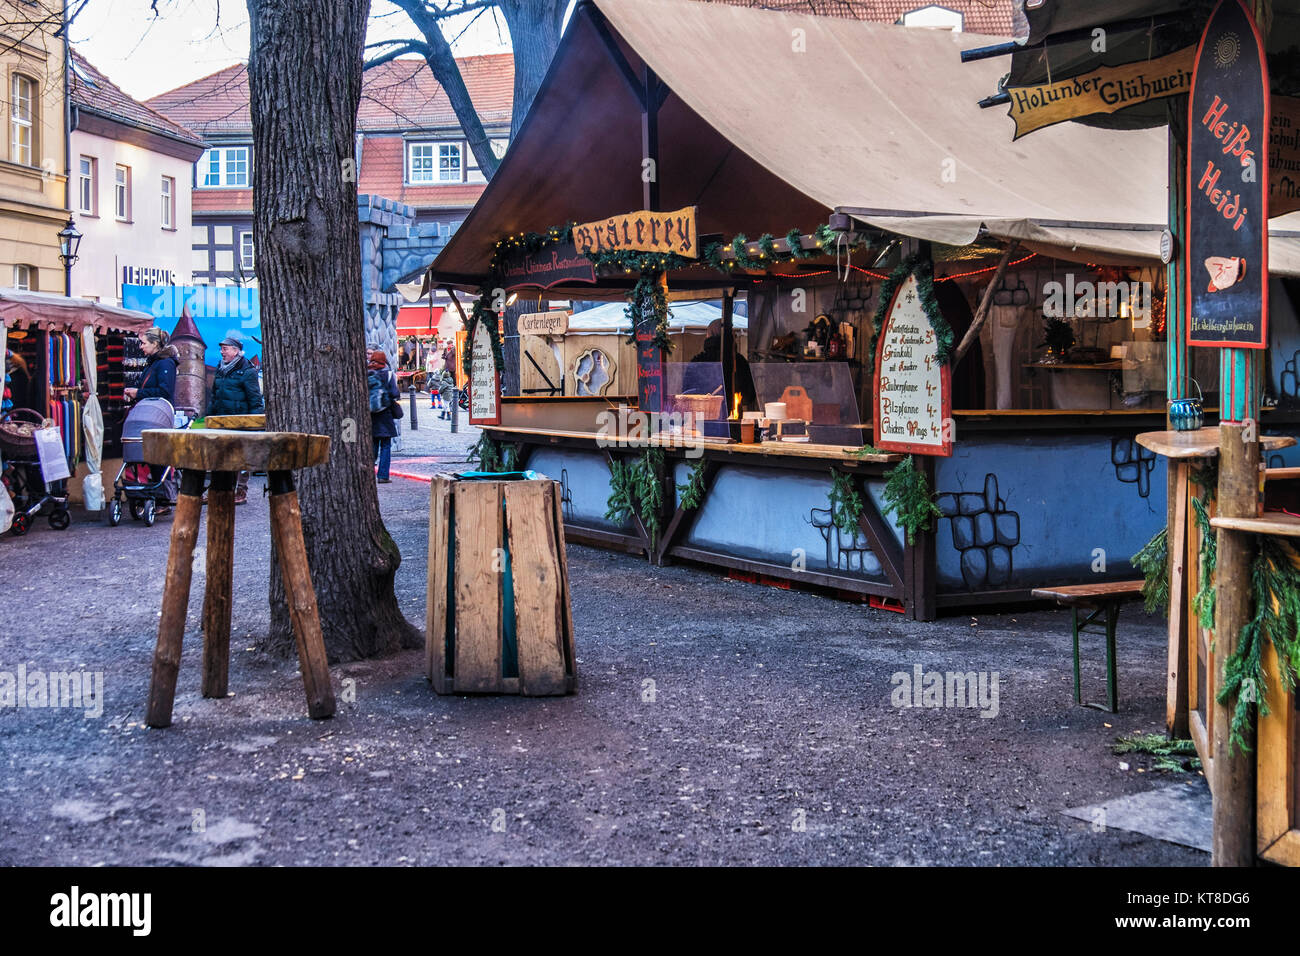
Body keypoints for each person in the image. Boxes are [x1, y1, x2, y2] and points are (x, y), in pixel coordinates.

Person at [124, 328, 180, 510]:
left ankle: (162, 499)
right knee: (150, 455)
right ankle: (153, 495)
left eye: (144, 343)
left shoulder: (165, 364)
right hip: (149, 414)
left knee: (158, 456)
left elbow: (164, 392)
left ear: (155, 344)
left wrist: (138, 393)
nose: (141, 347)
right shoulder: (154, 362)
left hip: (157, 414)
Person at [207, 332, 265, 504]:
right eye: (221, 349)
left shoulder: (247, 371)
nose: (222, 352)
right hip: (222, 420)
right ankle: (219, 490)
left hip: (241, 421)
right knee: (220, 456)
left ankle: (241, 491)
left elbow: (255, 399)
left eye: (225, 349)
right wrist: (211, 416)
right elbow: (215, 395)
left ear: (235, 350)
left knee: (241, 458)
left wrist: (255, 423)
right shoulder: (221, 368)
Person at [368, 347, 400, 483]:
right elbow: (395, 393)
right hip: (385, 414)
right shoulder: (388, 375)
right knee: (386, 446)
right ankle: (382, 475)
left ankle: (368, 473)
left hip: (370, 414)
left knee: (373, 444)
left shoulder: (366, 373)